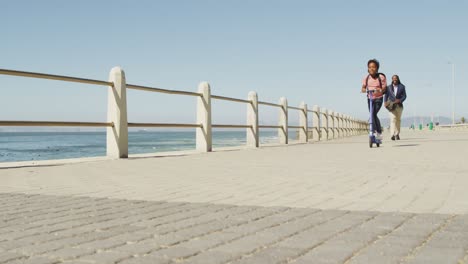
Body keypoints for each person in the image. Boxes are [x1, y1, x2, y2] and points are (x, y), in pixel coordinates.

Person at [361, 59, 387, 140]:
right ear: (367, 68)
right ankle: (375, 131)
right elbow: (363, 87)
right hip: (370, 98)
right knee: (372, 114)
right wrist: (363, 89)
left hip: (378, 98)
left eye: (373, 67)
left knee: (373, 114)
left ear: (377, 68)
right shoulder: (366, 78)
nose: (371, 69)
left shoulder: (381, 77)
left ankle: (378, 132)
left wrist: (380, 90)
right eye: (369, 67)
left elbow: (385, 88)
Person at [384, 75, 407, 140]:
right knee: (393, 119)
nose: (395, 79)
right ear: (392, 79)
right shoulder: (388, 87)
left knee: (398, 120)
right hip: (391, 106)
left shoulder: (402, 87)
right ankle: (392, 134)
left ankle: (397, 134)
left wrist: (400, 100)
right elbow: (386, 95)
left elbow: (405, 96)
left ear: (398, 79)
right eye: (393, 78)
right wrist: (385, 102)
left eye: (396, 78)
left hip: (399, 106)